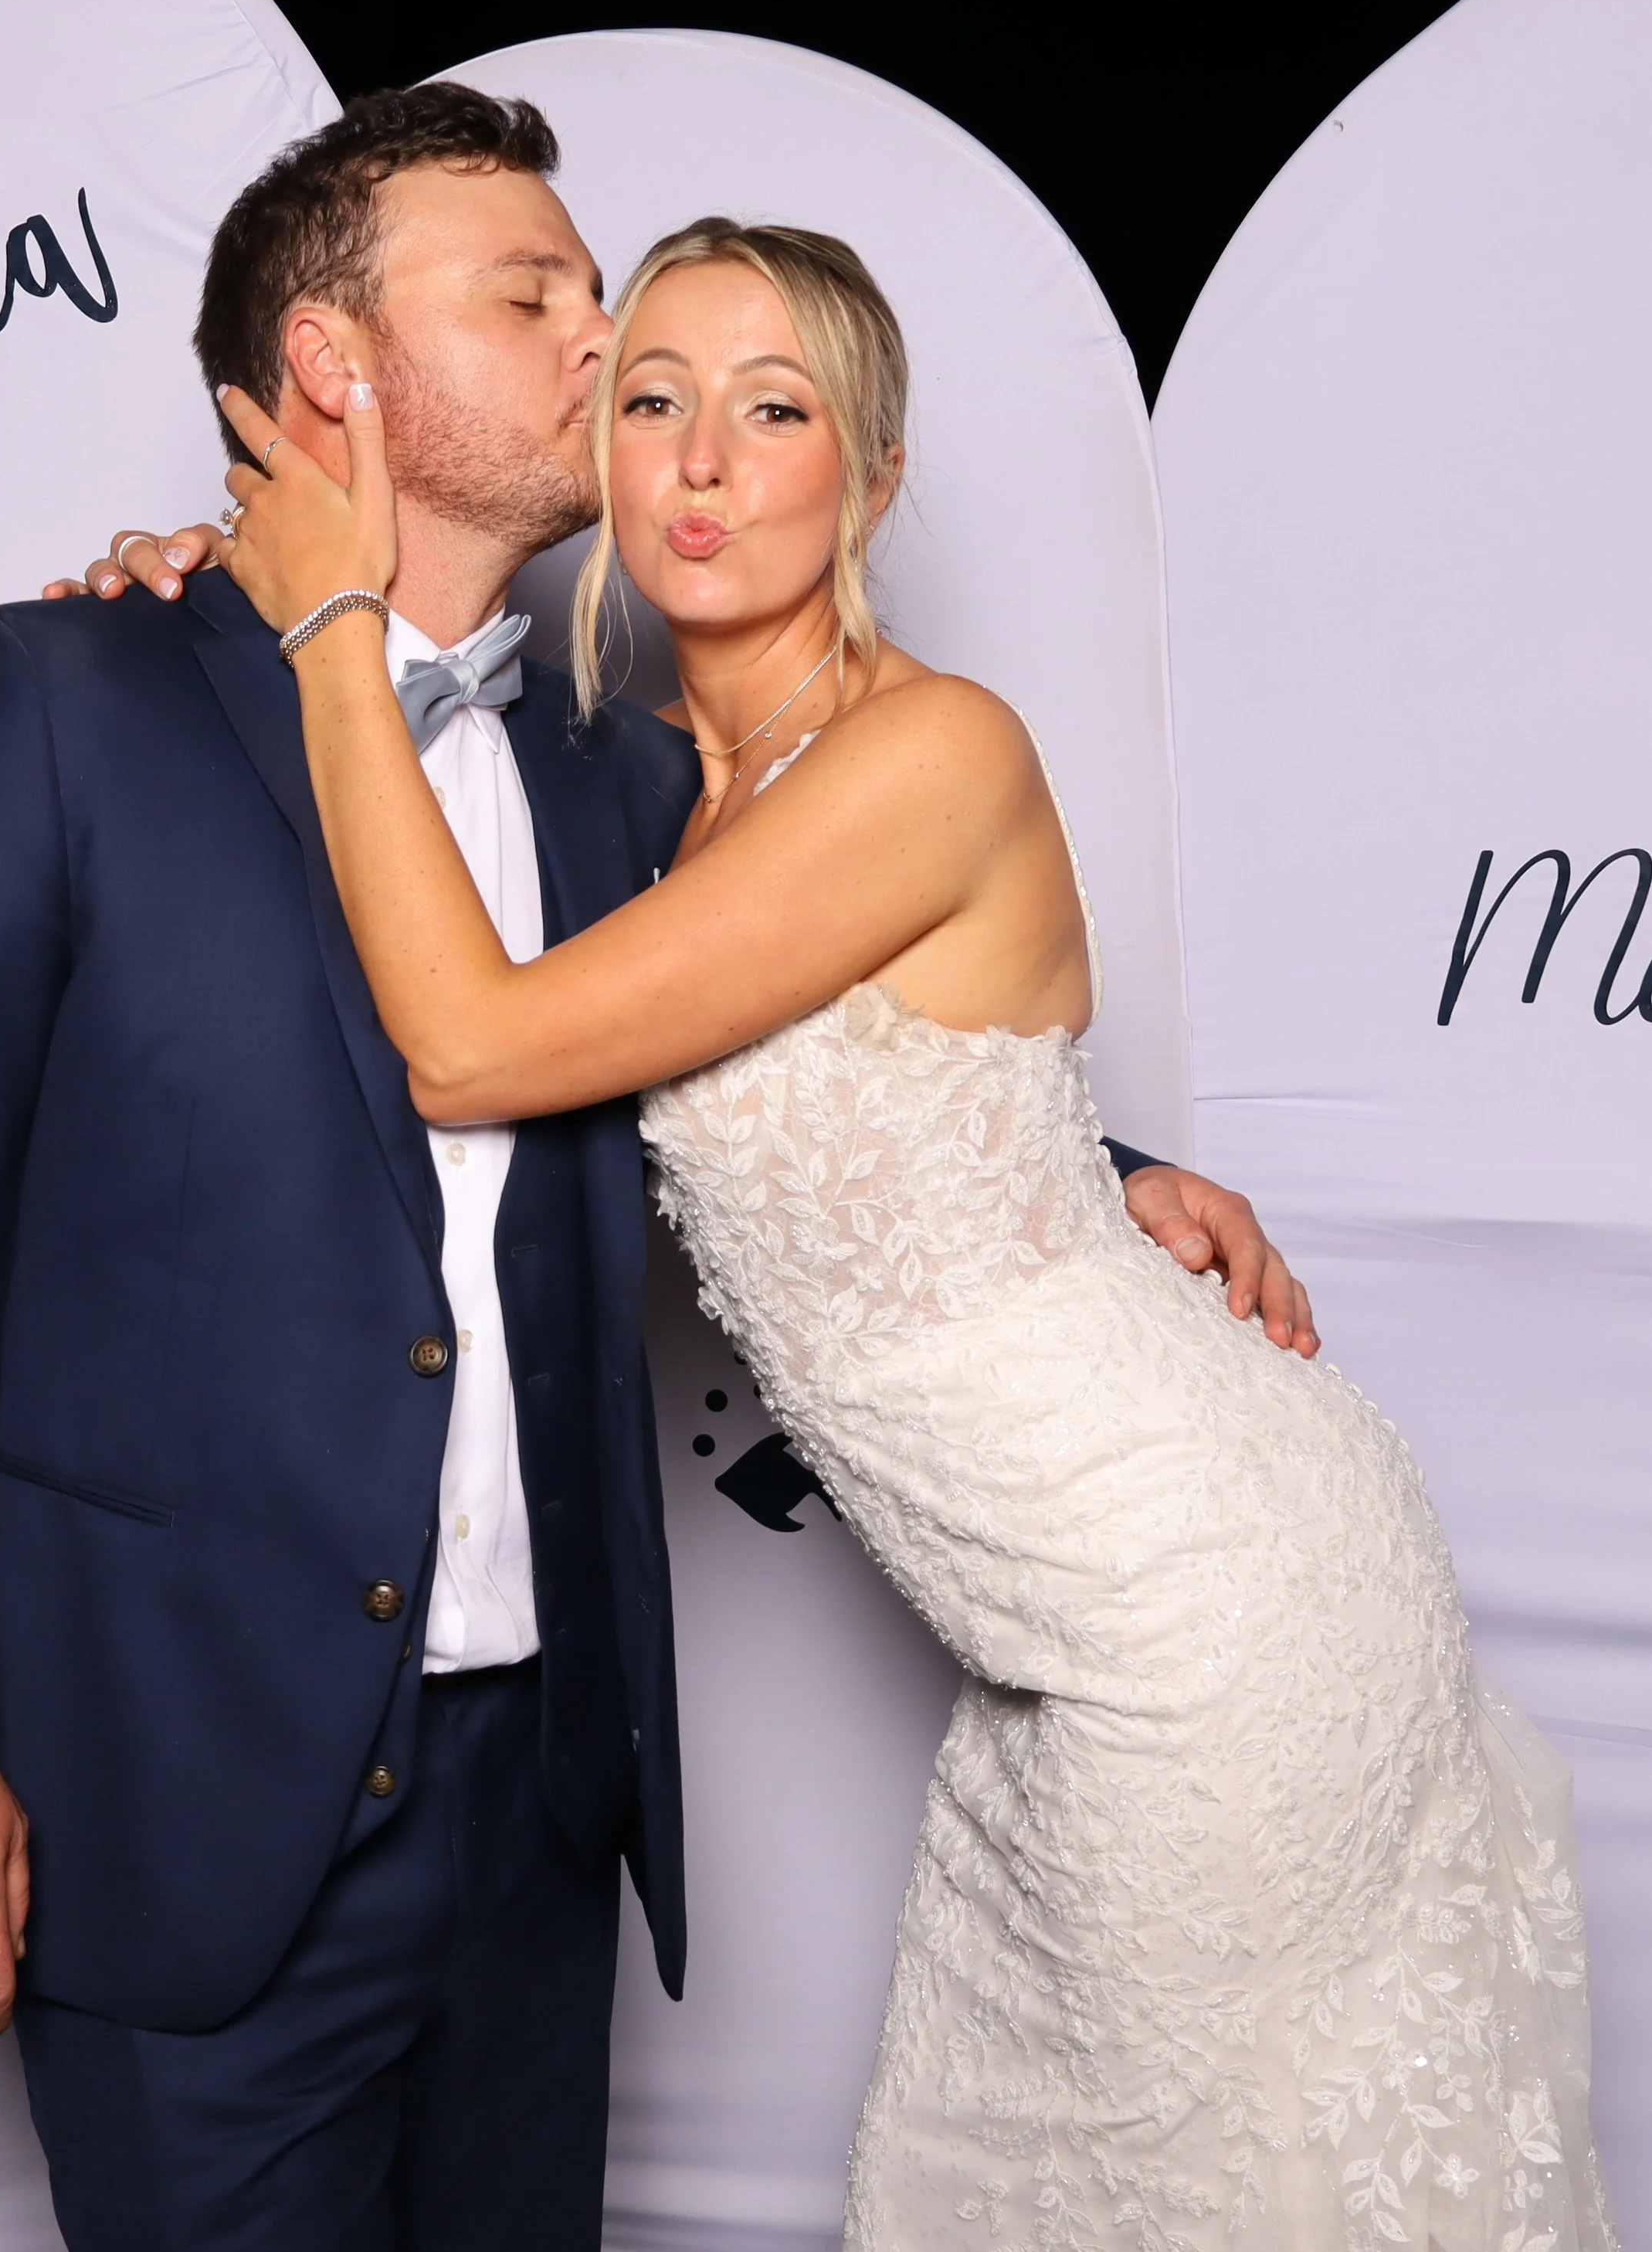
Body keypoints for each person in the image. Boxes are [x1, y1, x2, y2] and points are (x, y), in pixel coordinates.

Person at [0, 86, 1308, 2252]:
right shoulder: (49, 700)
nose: (604, 340)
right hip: (181, 1784)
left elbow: (773, 1050)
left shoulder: (616, 756)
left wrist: (1083, 1167)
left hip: (543, 1801)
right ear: (333, 372)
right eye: (536, 293)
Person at [205, 211, 1616, 2249]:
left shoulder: (924, 752)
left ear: (866, 479)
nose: (698, 461)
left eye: (770, 412)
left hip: (1211, 1611)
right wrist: (1107, 1165)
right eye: (650, 401)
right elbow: (880, 1087)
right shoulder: (646, 792)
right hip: (1063, 1643)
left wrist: (322, 624)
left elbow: (472, 1049)